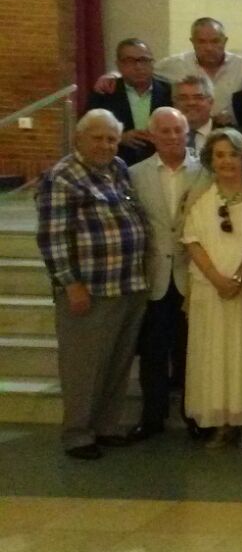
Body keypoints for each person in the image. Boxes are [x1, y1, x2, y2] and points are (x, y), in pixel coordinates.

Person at [38, 111, 151, 459]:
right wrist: (70, 284)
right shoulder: (63, 177)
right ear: (79, 140)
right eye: (97, 138)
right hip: (90, 290)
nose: (105, 145)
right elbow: (53, 238)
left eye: (111, 139)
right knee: (83, 366)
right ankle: (78, 434)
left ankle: (106, 425)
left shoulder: (117, 168)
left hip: (128, 283)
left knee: (117, 364)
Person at [180, 128, 242, 447]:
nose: (226, 161)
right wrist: (218, 279)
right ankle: (220, 422)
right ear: (210, 159)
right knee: (213, 357)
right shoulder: (198, 195)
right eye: (220, 155)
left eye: (233, 154)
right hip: (209, 290)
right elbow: (191, 239)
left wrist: (239, 277)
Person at [128, 108, 200, 439]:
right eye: (165, 131)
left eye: (178, 130)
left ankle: (194, 416)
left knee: (191, 353)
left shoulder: (205, 170)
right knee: (154, 354)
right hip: (153, 277)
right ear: (152, 135)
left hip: (193, 277)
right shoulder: (134, 174)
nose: (172, 137)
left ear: (187, 132)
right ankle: (152, 418)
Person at [88, 39, 171, 165]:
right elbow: (88, 131)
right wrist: (119, 137)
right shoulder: (105, 93)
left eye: (144, 60)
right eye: (130, 61)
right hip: (115, 164)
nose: (138, 67)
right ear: (119, 65)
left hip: (160, 164)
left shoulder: (169, 92)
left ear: (152, 63)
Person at [155, 17, 242, 121]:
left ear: (225, 41)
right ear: (192, 42)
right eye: (202, 42)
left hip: (231, 132)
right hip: (187, 132)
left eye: (215, 41)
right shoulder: (172, 65)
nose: (209, 48)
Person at [173, 76, 220, 152]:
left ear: (211, 102)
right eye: (183, 98)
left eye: (198, 97)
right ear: (174, 104)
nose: (191, 103)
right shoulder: (163, 137)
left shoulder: (231, 135)